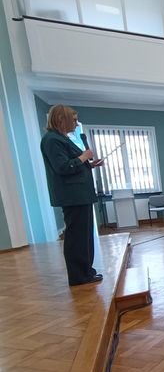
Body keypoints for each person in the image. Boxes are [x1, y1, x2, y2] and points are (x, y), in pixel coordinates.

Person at [40, 105, 104, 286]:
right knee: (76, 236)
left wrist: (90, 165)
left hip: (80, 195)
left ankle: (86, 271)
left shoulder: (61, 139)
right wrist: (84, 157)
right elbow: (62, 167)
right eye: (74, 120)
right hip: (73, 196)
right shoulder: (52, 140)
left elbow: (71, 165)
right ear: (61, 119)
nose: (76, 124)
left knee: (84, 235)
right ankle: (79, 275)